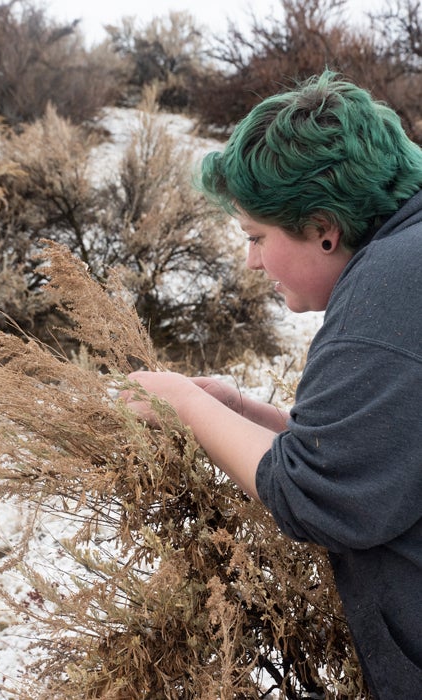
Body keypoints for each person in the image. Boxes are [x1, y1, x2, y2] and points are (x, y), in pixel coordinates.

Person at [123, 71, 422, 699]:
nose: (251, 262)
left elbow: (322, 493)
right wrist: (241, 411)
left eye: (257, 237)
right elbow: (380, 452)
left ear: (323, 227)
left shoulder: (385, 295)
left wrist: (179, 402)